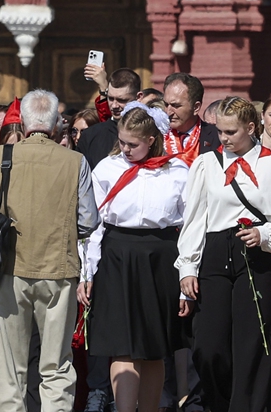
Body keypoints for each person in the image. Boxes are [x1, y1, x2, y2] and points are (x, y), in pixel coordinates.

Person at [0, 90, 95, 412]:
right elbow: (88, 221)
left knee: (8, 370)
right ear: (57, 125)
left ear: (25, 123)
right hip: (58, 271)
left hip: (6, 270)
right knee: (56, 366)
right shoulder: (75, 161)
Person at [177, 98, 271, 412]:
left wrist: (264, 233)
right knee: (208, 346)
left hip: (255, 256)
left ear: (251, 128)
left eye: (230, 132)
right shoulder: (206, 163)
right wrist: (187, 267)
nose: (223, 139)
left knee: (252, 345)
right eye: (219, 131)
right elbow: (194, 218)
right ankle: (219, 403)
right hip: (214, 252)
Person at [81, 106, 185, 412]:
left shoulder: (177, 172)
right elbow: (93, 224)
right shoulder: (107, 169)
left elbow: (190, 223)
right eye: (122, 142)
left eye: (132, 144)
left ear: (151, 140)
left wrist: (185, 275)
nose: (125, 149)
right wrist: (87, 272)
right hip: (116, 256)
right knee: (121, 346)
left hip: (160, 257)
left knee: (154, 348)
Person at [74, 69, 144, 168]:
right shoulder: (90, 135)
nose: (114, 105)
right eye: (110, 98)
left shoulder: (151, 132)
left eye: (121, 100)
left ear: (139, 97)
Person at [159, 75, 219, 165]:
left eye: (176, 106)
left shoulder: (218, 137)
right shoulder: (156, 135)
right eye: (166, 105)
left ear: (196, 107)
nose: (168, 112)